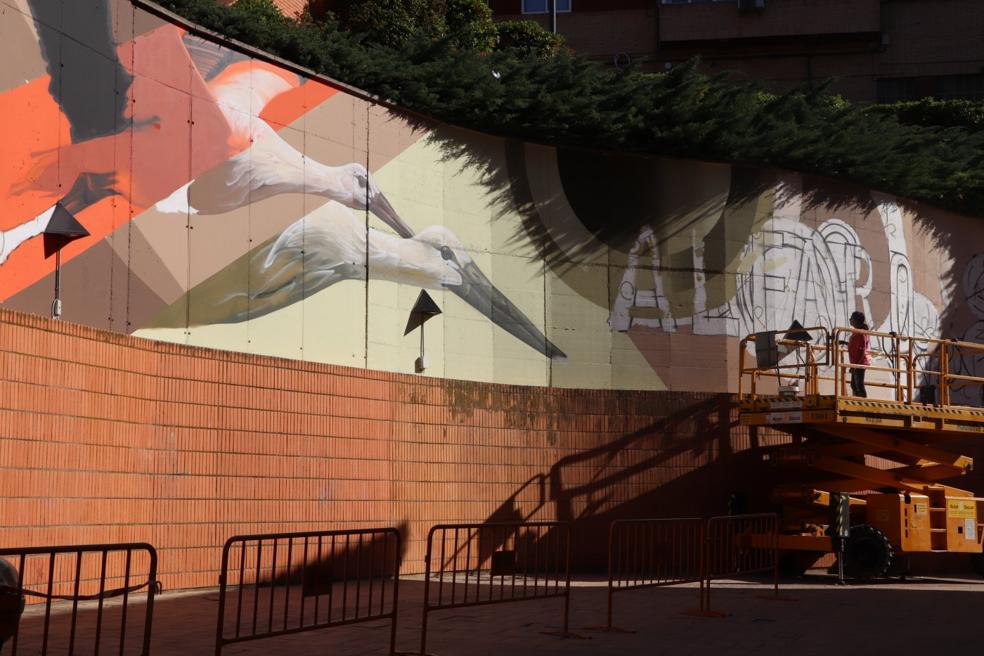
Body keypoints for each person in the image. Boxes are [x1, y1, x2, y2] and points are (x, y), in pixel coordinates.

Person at [848, 311, 870, 397]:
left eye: (851, 318)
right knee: (854, 384)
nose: (850, 320)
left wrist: (856, 366)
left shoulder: (861, 334)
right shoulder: (856, 332)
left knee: (859, 384)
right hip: (855, 363)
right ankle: (858, 400)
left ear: (856, 321)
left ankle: (863, 402)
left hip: (860, 363)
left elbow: (862, 350)